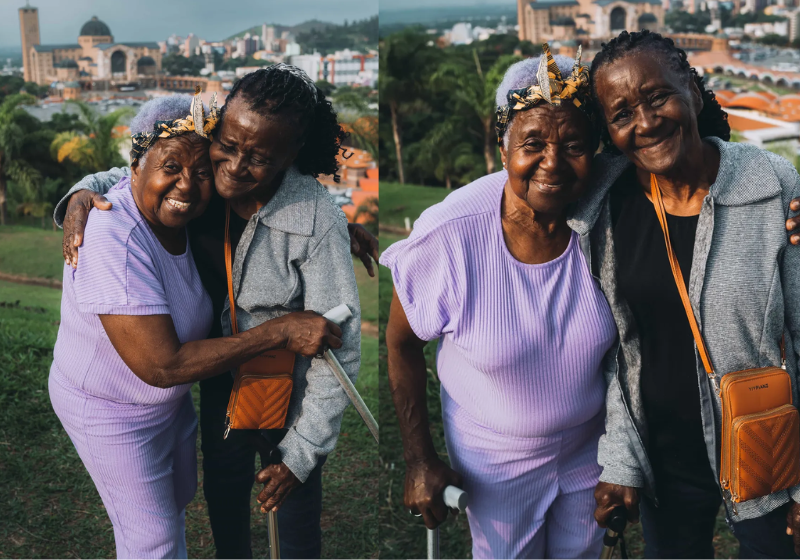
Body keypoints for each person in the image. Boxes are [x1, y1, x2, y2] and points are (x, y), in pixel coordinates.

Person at [54, 65, 367, 559]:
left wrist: (302, 453)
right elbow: (143, 167)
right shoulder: (205, 186)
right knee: (225, 503)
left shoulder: (308, 213)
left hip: (291, 393)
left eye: (260, 158)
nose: (235, 167)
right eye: (229, 144)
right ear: (218, 130)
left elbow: (341, 345)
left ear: (291, 158)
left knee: (295, 527)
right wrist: (78, 194)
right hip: (219, 379)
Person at [382, 46, 617, 559]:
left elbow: (689, 158)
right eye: (532, 142)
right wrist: (419, 458)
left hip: (591, 449)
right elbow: (400, 344)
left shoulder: (611, 213)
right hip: (495, 461)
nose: (552, 163)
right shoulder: (450, 234)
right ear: (503, 144)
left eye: (573, 144)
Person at [585, 30, 800, 558]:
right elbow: (622, 352)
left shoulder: (771, 184)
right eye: (621, 114)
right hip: (665, 461)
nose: (645, 122)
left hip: (768, 450)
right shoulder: (604, 206)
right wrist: (621, 461)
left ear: (694, 91)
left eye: (657, 96)